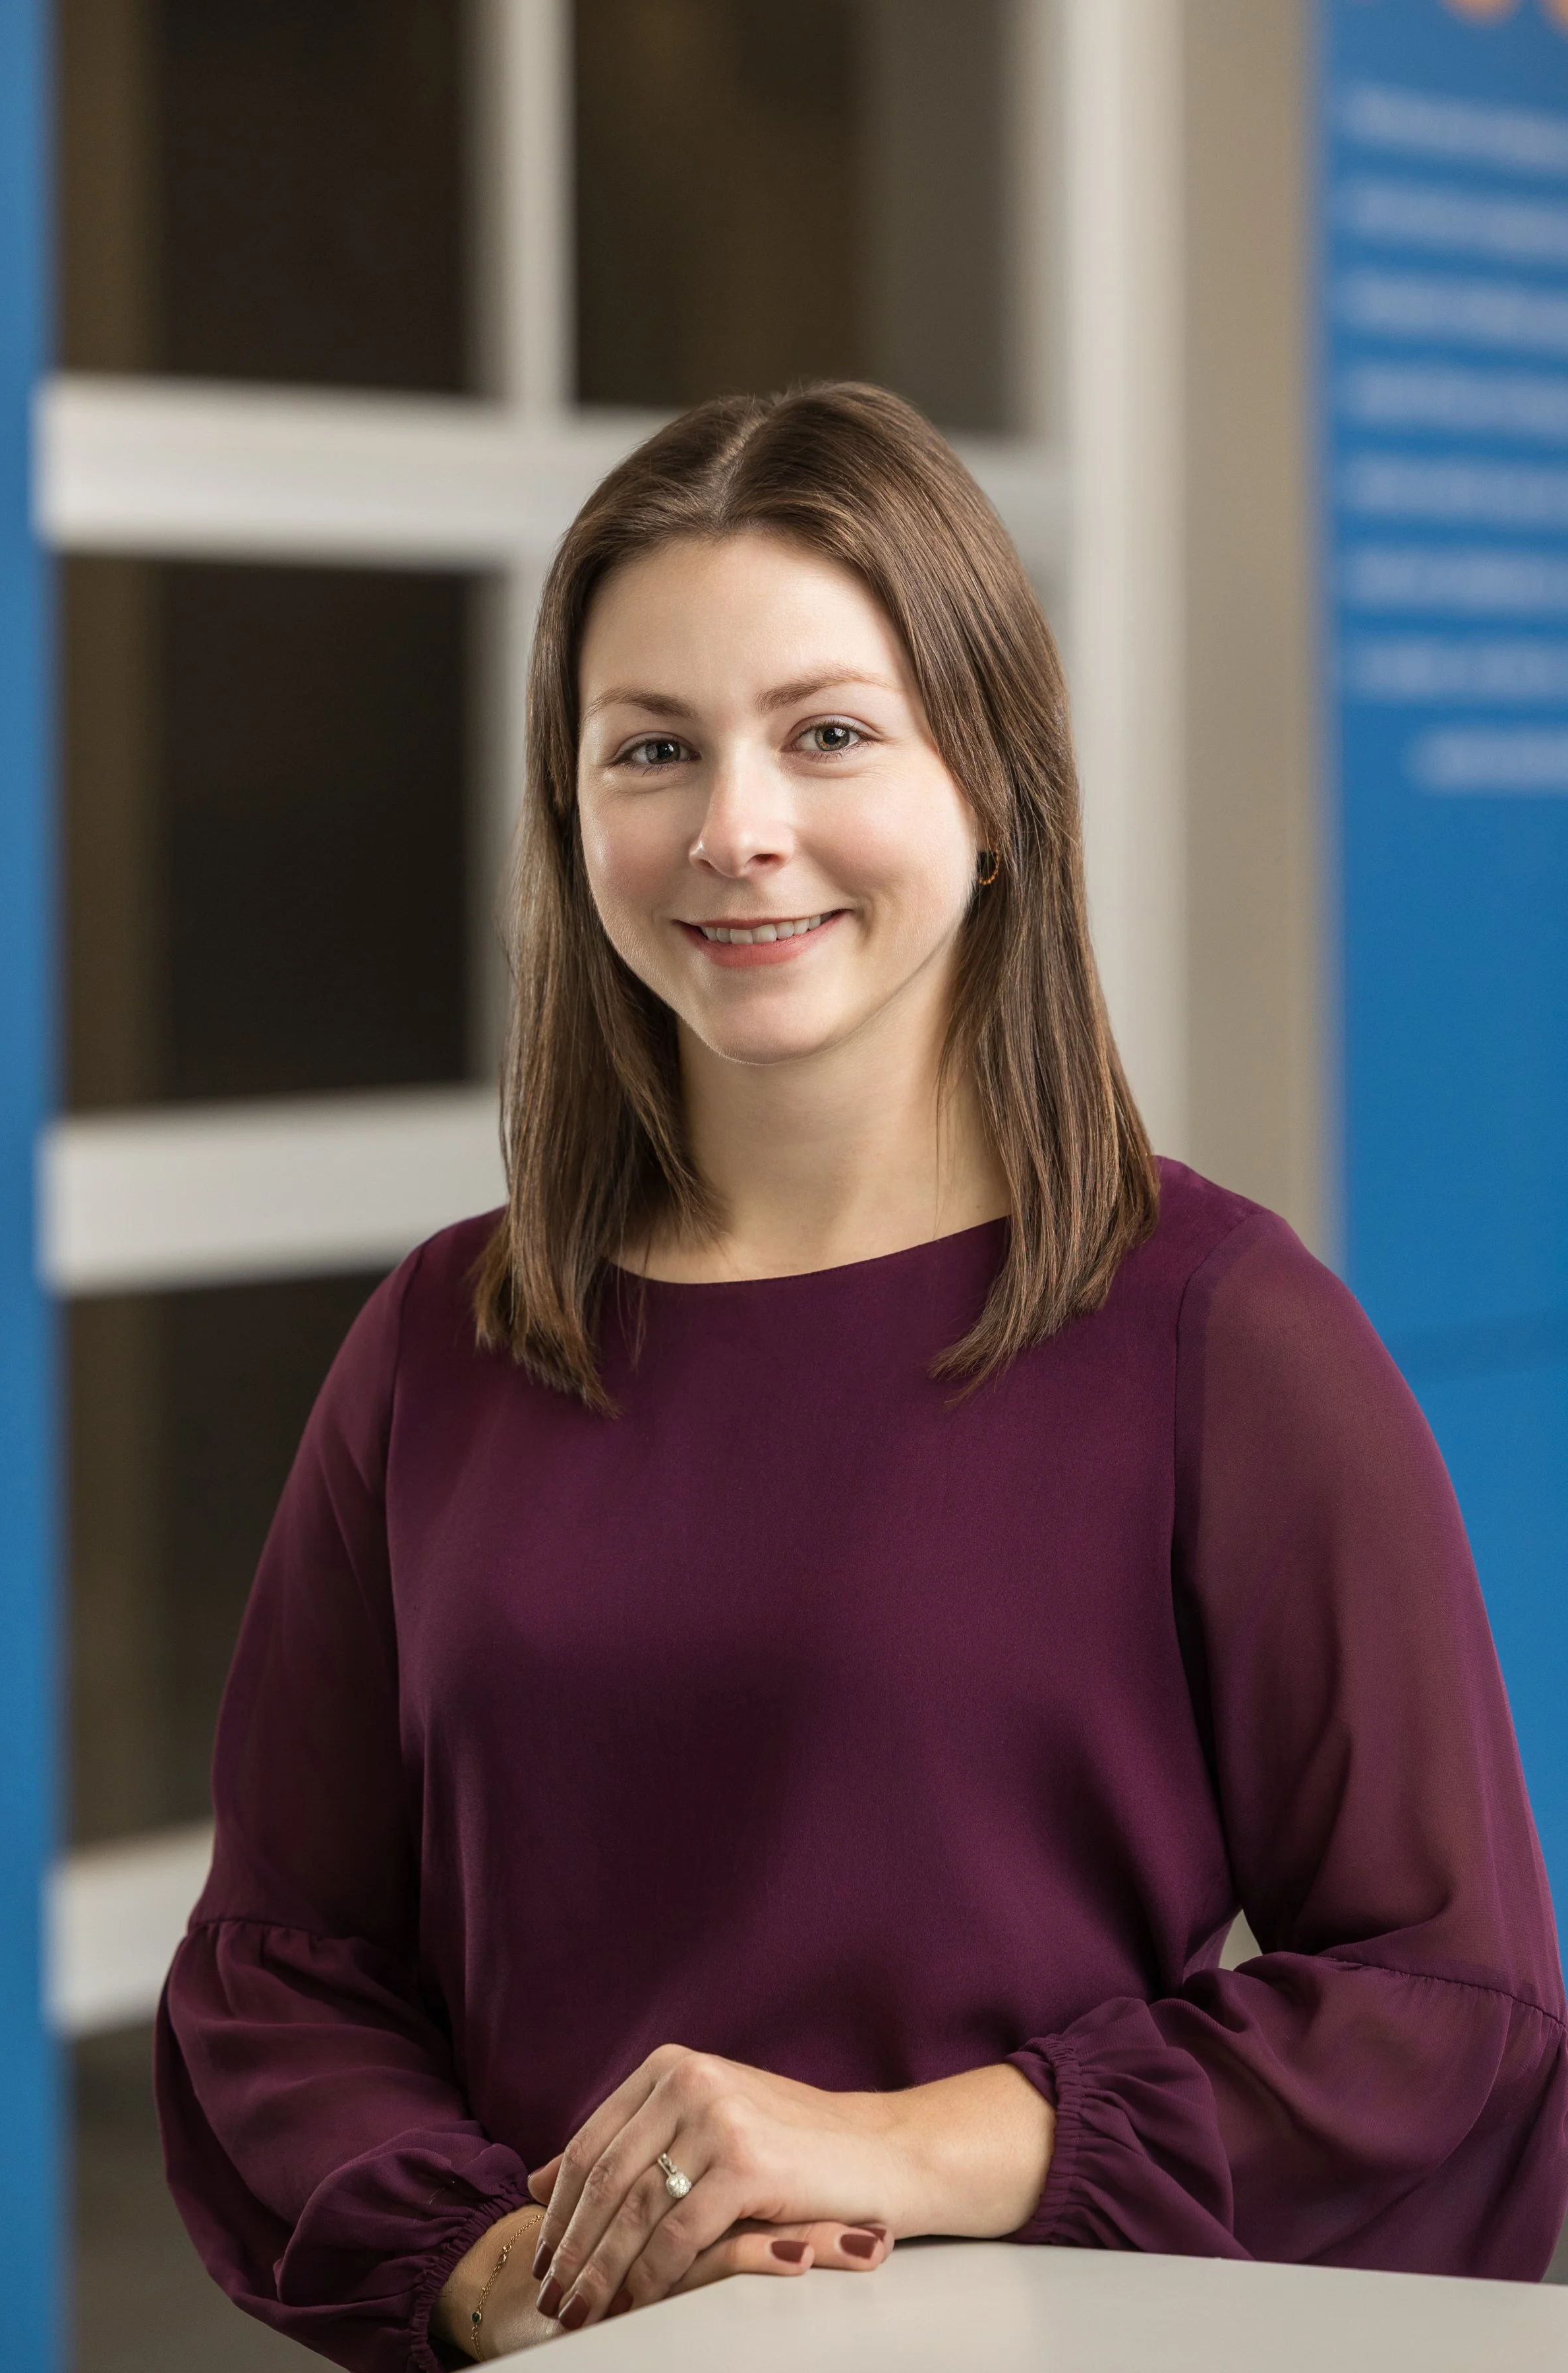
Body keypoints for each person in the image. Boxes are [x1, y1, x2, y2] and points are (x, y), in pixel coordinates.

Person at [156, 384, 1568, 2370]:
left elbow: (1446, 2001)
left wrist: (898, 2150)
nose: (736, 829)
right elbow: (278, 1972)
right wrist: (509, 2281)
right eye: (653, 748)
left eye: (827, 733)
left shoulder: (1220, 1332)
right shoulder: (443, 1344)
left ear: (992, 791)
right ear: (574, 818)